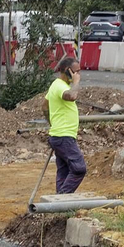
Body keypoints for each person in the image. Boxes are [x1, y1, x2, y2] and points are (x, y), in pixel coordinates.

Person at [43, 55, 86, 194]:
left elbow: (44, 107)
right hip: (63, 136)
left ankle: (59, 205)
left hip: (60, 135)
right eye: (76, 71)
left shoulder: (56, 85)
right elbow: (72, 96)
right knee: (79, 168)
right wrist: (76, 82)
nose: (78, 74)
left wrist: (53, 123)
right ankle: (62, 198)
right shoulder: (60, 86)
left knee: (64, 171)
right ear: (68, 70)